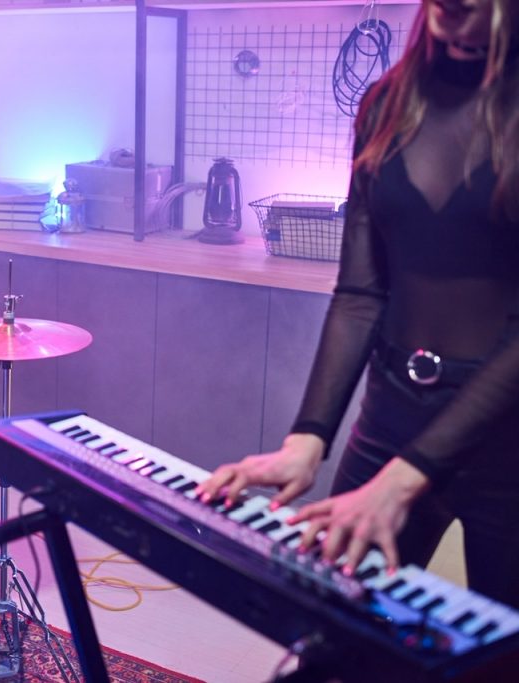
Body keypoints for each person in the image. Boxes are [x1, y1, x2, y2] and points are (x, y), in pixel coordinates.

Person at [196, 0, 519, 609]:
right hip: (393, 411)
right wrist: (308, 439)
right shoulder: (389, 104)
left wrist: (404, 481)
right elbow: (360, 294)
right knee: (335, 624)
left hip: (508, 439)